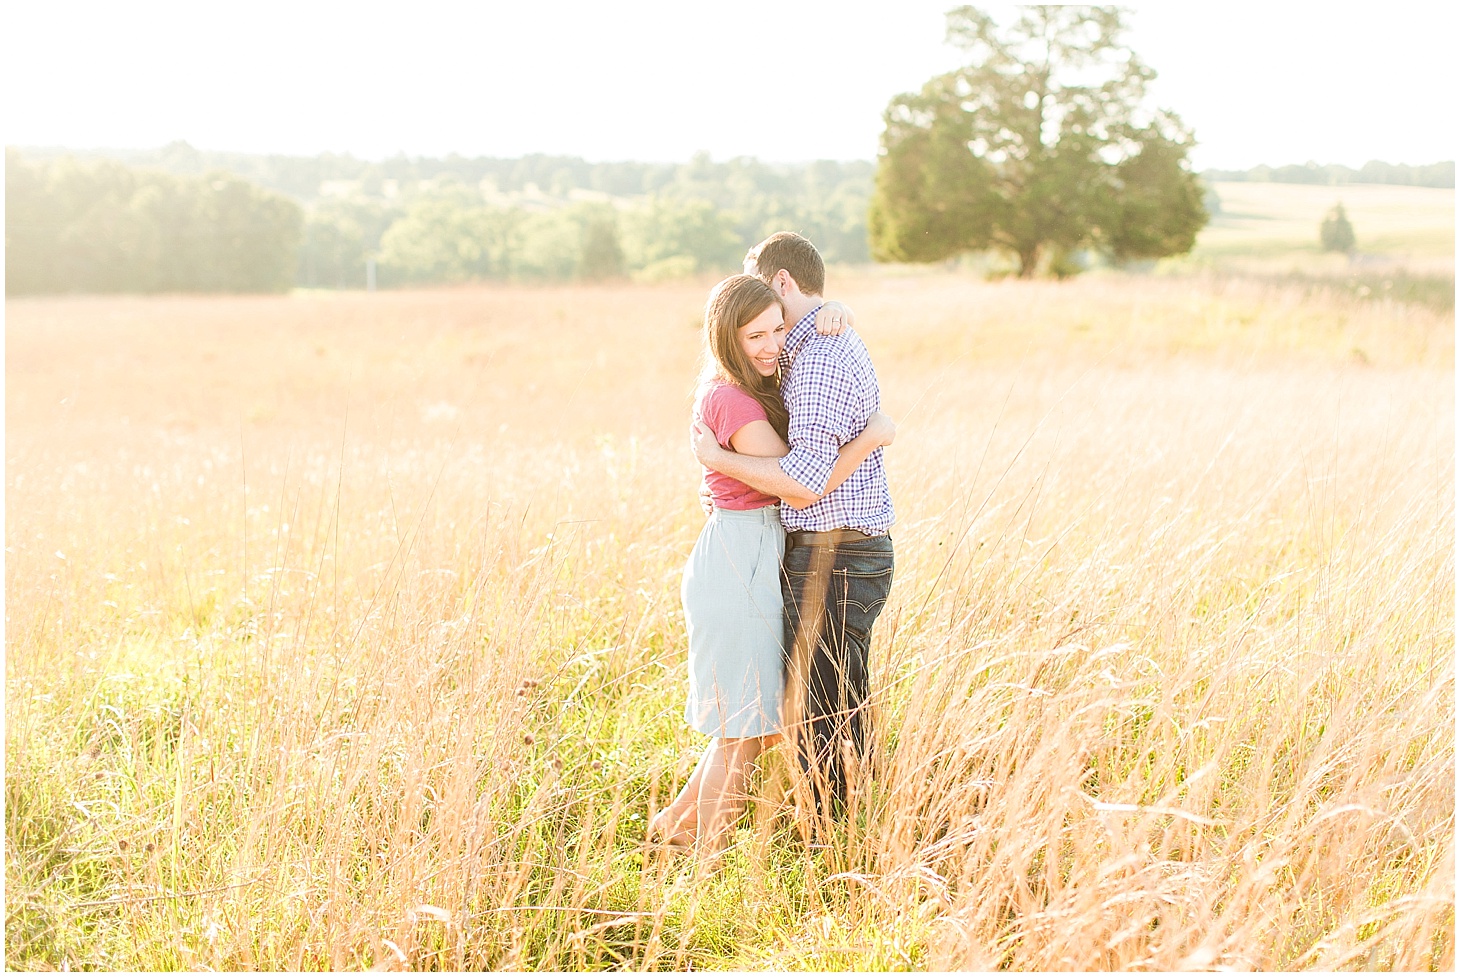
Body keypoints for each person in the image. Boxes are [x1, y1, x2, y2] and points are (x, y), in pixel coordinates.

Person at [648, 274, 894, 858]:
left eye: (777, 328)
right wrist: (869, 439)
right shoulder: (731, 398)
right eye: (753, 334)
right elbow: (803, 486)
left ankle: (675, 829)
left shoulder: (748, 388)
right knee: (749, 726)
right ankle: (701, 851)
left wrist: (835, 309)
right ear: (725, 338)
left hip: (751, 552)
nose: (769, 344)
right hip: (739, 559)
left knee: (750, 719)